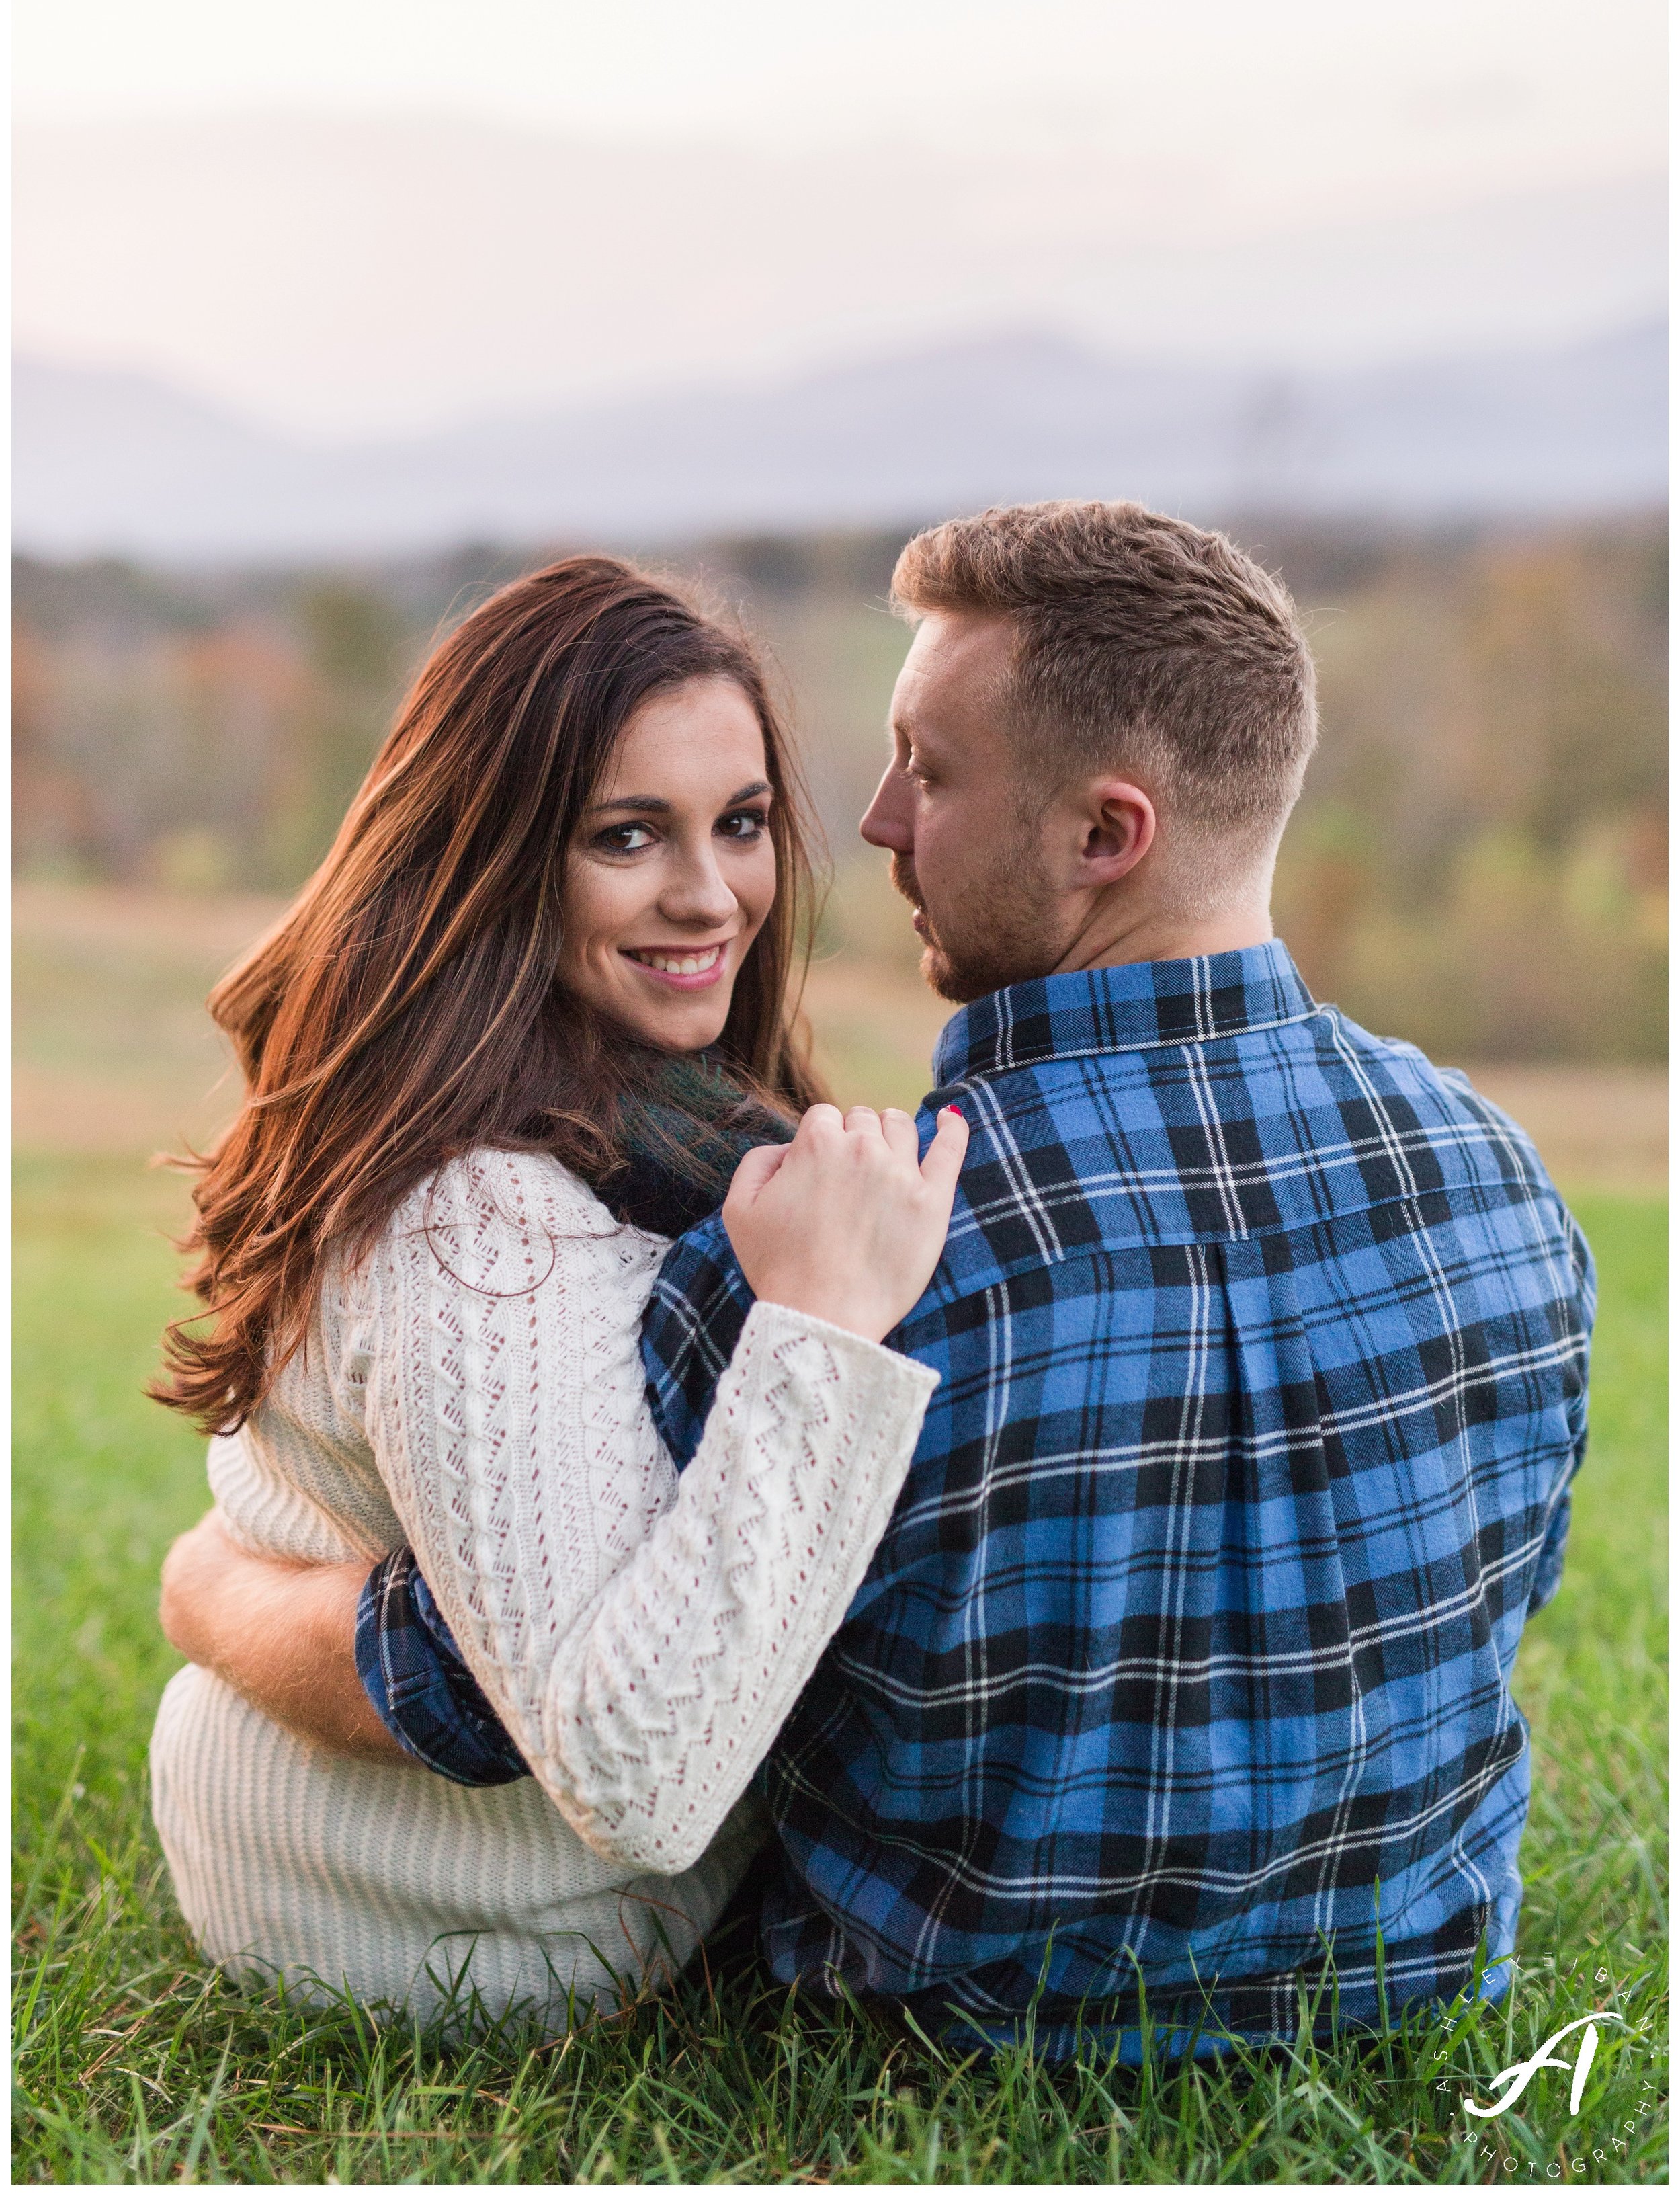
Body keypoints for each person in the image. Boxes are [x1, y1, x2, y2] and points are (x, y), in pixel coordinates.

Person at [163, 503, 1593, 2061]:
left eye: (928, 766)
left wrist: (218, 1591)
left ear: (1104, 835)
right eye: (629, 830)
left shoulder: (869, 1253)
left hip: (959, 2026)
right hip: (1413, 1975)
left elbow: (513, 1673)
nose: (877, 820)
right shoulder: (1505, 1179)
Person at [147, 555, 968, 2030]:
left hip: (334, 1850)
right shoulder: (490, 1217)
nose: (706, 893)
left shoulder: (636, 1118)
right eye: (625, 835)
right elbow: (639, 1781)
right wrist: (821, 1331)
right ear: (498, 852)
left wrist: (221, 1588)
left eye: (739, 823)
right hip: (471, 1929)